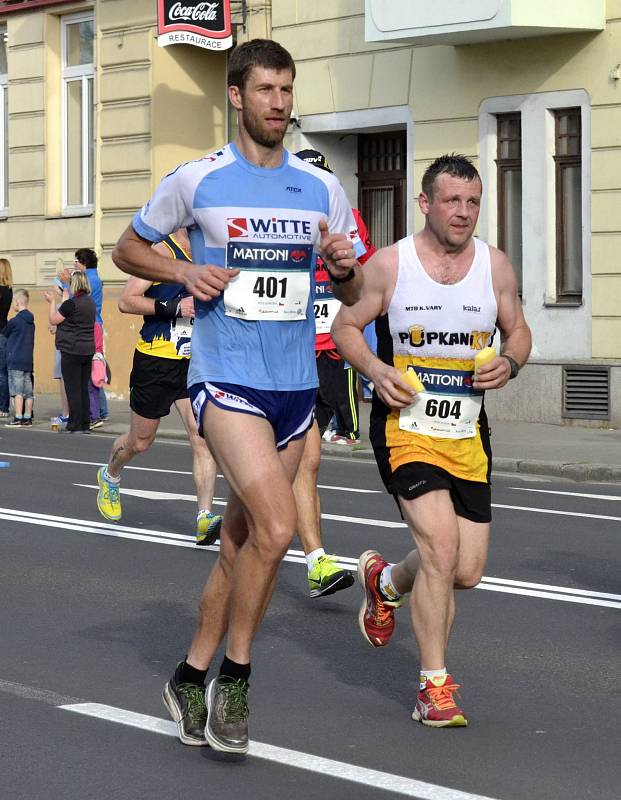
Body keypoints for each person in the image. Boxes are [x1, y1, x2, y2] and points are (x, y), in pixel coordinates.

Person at [111, 38, 365, 754]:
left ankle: (190, 675)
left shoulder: (320, 188)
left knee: (240, 543)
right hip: (226, 380)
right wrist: (182, 273)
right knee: (279, 528)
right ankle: (236, 678)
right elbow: (128, 250)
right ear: (236, 96)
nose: (279, 104)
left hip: (293, 387)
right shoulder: (198, 180)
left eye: (286, 90)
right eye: (265, 91)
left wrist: (342, 270)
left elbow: (348, 283)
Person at [332, 154, 532, 728]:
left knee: (466, 570)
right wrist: (374, 369)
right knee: (441, 548)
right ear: (426, 204)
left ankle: (386, 580)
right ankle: (433, 688)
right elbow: (345, 327)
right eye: (452, 201)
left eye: (472, 202)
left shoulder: (494, 267)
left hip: (467, 430)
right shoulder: (392, 265)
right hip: (406, 428)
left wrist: (512, 361)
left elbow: (517, 327)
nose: (463, 213)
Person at [95, 229, 223, 548]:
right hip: (155, 360)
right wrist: (176, 307)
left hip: (194, 362)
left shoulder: (211, 254)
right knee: (140, 442)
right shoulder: (161, 254)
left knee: (203, 438)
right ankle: (110, 475)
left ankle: (204, 516)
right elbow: (127, 301)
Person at [291, 148, 377, 597]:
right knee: (267, 479)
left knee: (308, 460)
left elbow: (359, 276)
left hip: (316, 346)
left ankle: (316, 561)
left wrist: (343, 270)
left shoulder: (343, 215)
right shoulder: (271, 212)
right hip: (258, 358)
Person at [45, 270, 96, 433]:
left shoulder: (71, 304)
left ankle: (74, 424)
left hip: (71, 349)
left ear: (74, 285)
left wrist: (52, 302)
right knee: (83, 388)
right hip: (87, 349)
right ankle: (85, 424)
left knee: (73, 389)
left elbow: (53, 319)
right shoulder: (90, 303)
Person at [74, 248, 109, 426]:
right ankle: (100, 411)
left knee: (93, 372)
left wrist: (64, 284)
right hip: (95, 324)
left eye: (76, 261)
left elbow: (76, 297)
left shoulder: (88, 279)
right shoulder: (94, 277)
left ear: (83, 262)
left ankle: (98, 412)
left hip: (91, 325)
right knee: (96, 370)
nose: (74, 264)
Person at [1, 288, 35, 426]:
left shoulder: (14, 321)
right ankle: (27, 418)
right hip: (28, 361)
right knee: (28, 392)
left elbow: (5, 332)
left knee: (17, 392)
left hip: (15, 361)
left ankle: (18, 417)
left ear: (16, 302)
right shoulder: (31, 321)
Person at [0, 257, 13, 417]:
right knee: (3, 371)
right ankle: (3, 406)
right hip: (4, 331)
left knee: (2, 372)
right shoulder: (8, 290)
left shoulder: (2, 291)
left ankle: (3, 406)